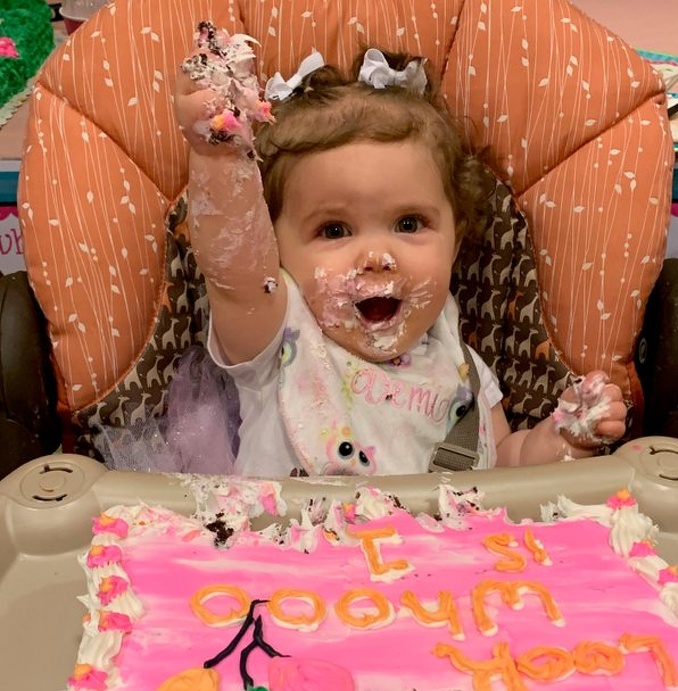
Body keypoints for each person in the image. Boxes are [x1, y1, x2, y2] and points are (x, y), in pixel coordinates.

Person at [174, 25, 626, 478]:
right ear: (272, 246)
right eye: (334, 230)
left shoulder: (460, 363)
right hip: (293, 542)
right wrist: (219, 157)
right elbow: (235, 274)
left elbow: (503, 466)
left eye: (408, 224)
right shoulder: (277, 334)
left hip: (449, 547)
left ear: (456, 239)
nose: (377, 256)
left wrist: (562, 438)